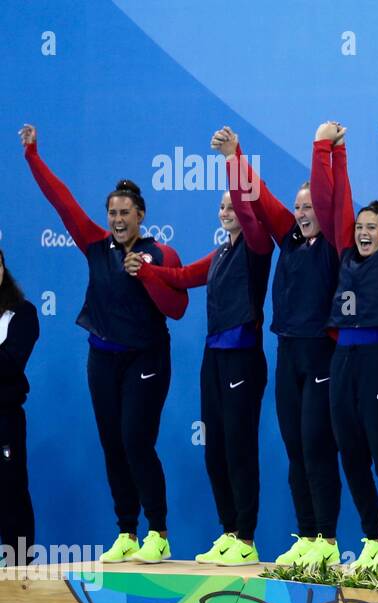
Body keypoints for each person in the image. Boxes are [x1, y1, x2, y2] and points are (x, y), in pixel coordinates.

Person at [20, 124, 187, 564]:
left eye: (125, 213)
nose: (117, 219)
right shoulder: (95, 245)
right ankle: (127, 532)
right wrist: (33, 155)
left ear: (141, 216)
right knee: (113, 444)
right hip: (102, 359)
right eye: (112, 212)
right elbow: (61, 201)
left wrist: (146, 275)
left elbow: (178, 308)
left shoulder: (161, 254)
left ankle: (160, 533)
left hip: (147, 359)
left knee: (136, 441)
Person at [130, 128, 274, 567]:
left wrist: (234, 158)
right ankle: (229, 531)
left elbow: (250, 214)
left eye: (232, 205)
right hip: (214, 357)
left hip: (242, 356)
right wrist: (145, 271)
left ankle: (247, 538)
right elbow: (181, 278)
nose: (227, 210)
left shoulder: (256, 246)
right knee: (215, 450)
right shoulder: (219, 255)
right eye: (222, 206)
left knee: (239, 447)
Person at [210, 129, 344, 568]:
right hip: (287, 352)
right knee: (294, 448)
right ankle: (307, 535)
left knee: (316, 444)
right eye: (299, 206)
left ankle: (326, 539)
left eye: (310, 206)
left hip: (321, 355)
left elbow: (327, 195)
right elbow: (258, 196)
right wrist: (234, 157)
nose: (303, 212)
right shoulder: (288, 236)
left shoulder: (335, 244)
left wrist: (321, 148)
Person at [317, 120, 378, 571]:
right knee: (350, 452)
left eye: (372, 227)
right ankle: (372, 535)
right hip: (342, 361)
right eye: (360, 226)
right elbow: (337, 204)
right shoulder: (343, 254)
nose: (362, 232)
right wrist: (337, 153)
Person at [0, 249, 38, 568]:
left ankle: (19, 570)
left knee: (10, 494)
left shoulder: (22, 313)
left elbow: (10, 363)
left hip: (4, 418)